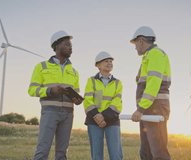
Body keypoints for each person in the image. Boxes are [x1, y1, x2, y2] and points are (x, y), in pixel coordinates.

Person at [28, 30, 83, 160]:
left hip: (68, 114)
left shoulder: (74, 71)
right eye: (67, 45)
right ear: (56, 46)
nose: (71, 48)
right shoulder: (41, 67)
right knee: (42, 150)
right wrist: (50, 91)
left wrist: (77, 99)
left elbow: (77, 91)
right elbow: (32, 90)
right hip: (50, 112)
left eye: (71, 46)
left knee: (62, 153)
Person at [130, 26, 171, 160]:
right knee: (146, 153)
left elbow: (153, 83)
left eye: (135, 44)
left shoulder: (155, 54)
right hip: (148, 108)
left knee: (158, 153)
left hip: (155, 108)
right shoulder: (148, 57)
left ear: (141, 41)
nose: (135, 47)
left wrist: (141, 108)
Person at [83, 51, 123, 160]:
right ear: (98, 65)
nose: (109, 63)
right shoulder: (91, 81)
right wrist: (97, 116)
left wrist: (103, 116)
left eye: (111, 61)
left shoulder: (117, 83)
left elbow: (117, 102)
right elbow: (87, 100)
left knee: (116, 155)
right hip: (94, 119)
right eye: (106, 61)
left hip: (112, 119)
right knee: (97, 155)